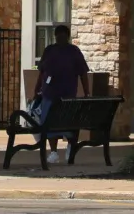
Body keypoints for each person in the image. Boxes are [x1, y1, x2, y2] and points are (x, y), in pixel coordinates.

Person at [33, 25, 91, 164]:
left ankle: (68, 147)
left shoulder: (73, 51)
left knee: (67, 122)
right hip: (51, 94)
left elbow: (83, 73)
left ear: (67, 36)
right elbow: (41, 73)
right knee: (50, 123)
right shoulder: (50, 50)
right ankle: (54, 151)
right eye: (58, 35)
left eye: (63, 35)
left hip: (66, 95)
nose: (60, 38)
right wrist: (36, 90)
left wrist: (87, 91)